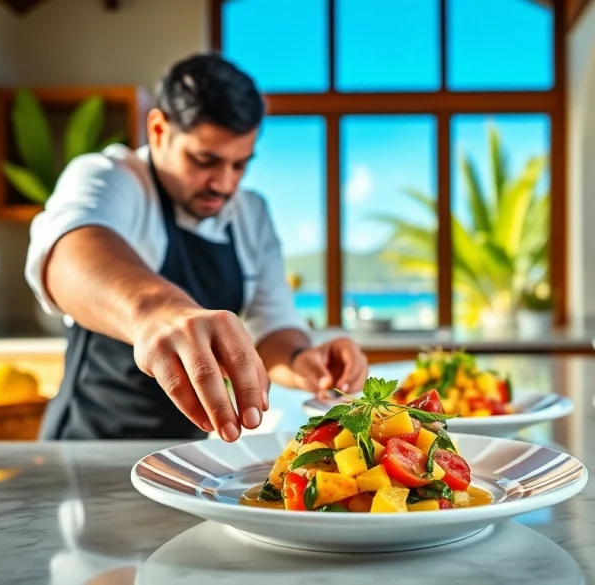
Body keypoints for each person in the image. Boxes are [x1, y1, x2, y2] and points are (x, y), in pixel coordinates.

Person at [24, 53, 368, 442]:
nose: (223, 184)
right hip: (86, 448)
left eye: (240, 165)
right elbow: (69, 253)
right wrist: (157, 311)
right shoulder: (111, 177)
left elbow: (272, 328)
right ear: (158, 131)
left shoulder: (251, 214)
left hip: (184, 457)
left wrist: (302, 361)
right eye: (205, 160)